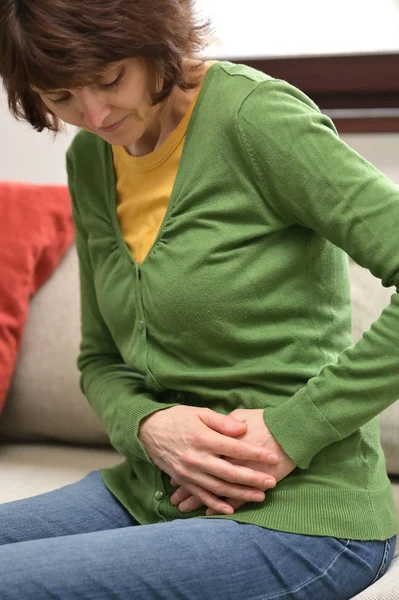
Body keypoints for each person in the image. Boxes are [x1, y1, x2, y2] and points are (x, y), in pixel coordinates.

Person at [0, 0, 397, 598]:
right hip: (148, 493)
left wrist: (292, 430)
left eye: (110, 80)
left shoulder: (253, 118)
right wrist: (149, 425)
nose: (96, 113)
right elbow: (100, 360)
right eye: (60, 99)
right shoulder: (89, 161)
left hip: (304, 514)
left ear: (151, 37)